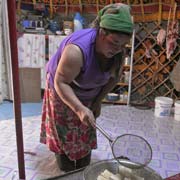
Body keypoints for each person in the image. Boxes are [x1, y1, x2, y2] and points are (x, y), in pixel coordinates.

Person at [40, 3, 134, 172]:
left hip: (86, 86)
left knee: (87, 123)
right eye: (114, 43)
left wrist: (97, 102)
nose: (118, 49)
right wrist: (78, 108)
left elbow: (113, 78)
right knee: (65, 126)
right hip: (61, 84)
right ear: (102, 32)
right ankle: (66, 163)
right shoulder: (76, 51)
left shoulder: (118, 51)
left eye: (122, 45)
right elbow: (61, 83)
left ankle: (83, 161)